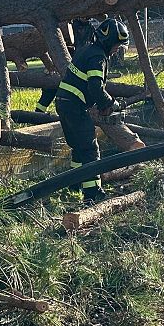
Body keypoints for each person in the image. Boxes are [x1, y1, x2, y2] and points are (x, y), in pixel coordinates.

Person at [55, 18, 129, 203]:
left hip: (64, 103)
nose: (117, 49)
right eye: (117, 45)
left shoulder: (87, 50)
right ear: (109, 41)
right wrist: (110, 103)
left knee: (78, 146)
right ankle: (93, 192)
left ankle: (74, 184)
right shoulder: (98, 58)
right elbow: (95, 87)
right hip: (74, 106)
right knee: (89, 148)